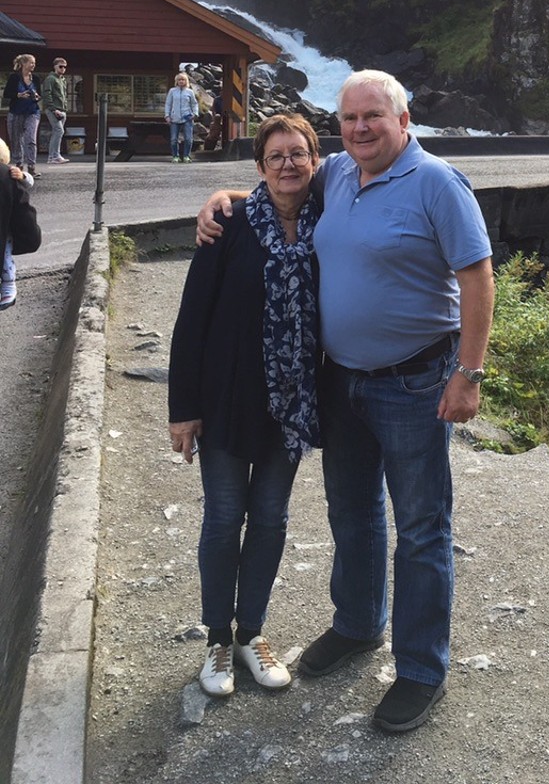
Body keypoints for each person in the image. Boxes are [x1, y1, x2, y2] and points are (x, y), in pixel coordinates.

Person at [197, 69, 494, 733]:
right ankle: (358, 626)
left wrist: (468, 374)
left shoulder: (437, 183)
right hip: (342, 378)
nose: (360, 128)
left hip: (417, 380)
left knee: (421, 528)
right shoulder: (339, 173)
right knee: (352, 513)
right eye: (350, 118)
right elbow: (284, 174)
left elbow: (477, 276)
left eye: (374, 118)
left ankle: (421, 669)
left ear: (403, 120)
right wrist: (226, 196)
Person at [170, 112, 323, 697]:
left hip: (290, 404)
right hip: (228, 397)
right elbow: (192, 320)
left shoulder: (327, 221)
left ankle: (250, 633)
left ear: (314, 161)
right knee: (223, 517)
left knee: (272, 519)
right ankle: (216, 639)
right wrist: (182, 409)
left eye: (298, 154)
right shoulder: (228, 225)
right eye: (276, 155)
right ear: (260, 167)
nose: (288, 164)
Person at [0, 136, 41, 310]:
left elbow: (29, 182)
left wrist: (22, 175)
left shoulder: (11, 173)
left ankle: (9, 285)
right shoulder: (6, 176)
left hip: (6, 230)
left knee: (6, 259)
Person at [3, 53, 42, 179]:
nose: (33, 65)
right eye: (31, 62)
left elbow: (39, 94)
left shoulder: (35, 78)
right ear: (24, 64)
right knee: (16, 139)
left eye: (34, 63)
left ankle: (31, 167)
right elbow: (7, 94)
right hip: (16, 112)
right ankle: (19, 165)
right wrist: (19, 95)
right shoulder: (14, 78)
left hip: (32, 111)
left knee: (31, 138)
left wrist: (36, 96)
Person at [41, 56, 70, 164]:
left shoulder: (63, 80)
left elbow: (64, 95)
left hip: (62, 109)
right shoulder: (50, 79)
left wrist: (64, 108)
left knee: (57, 132)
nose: (63, 69)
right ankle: (54, 156)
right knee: (59, 130)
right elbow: (47, 94)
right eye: (60, 66)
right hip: (54, 109)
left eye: (65, 67)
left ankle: (54, 156)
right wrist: (53, 109)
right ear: (55, 67)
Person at [165, 71, 199, 163]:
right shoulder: (172, 91)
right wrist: (167, 116)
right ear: (176, 81)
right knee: (173, 139)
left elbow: (194, 104)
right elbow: (168, 104)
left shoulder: (190, 92)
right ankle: (175, 156)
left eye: (183, 79)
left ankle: (186, 156)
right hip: (174, 118)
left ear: (186, 81)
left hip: (187, 118)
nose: (181, 81)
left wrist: (195, 114)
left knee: (188, 139)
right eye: (179, 80)